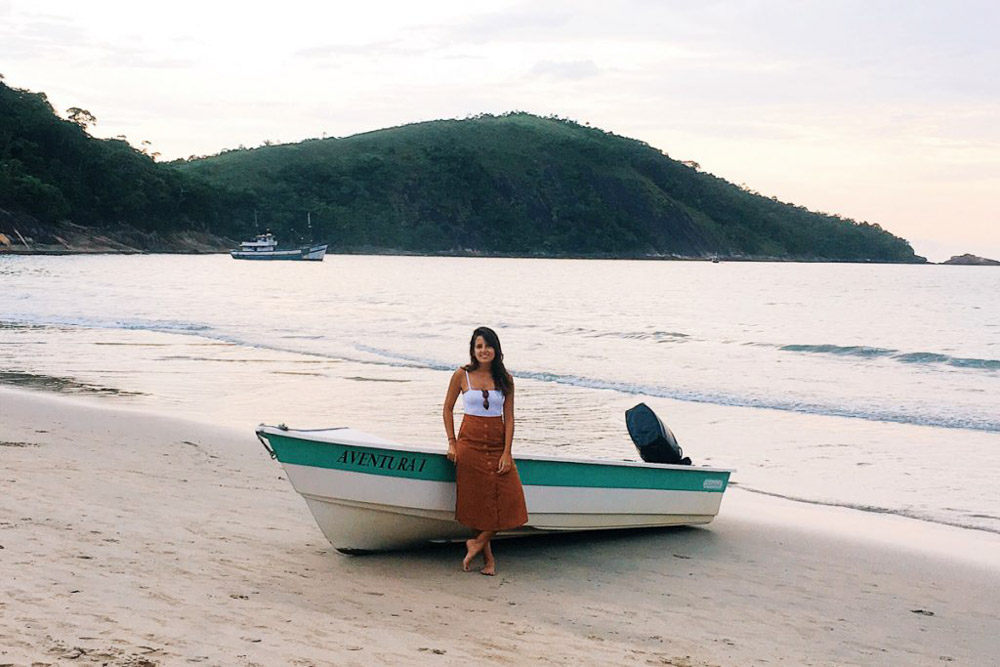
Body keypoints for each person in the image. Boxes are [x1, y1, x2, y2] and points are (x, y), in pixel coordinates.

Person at [442, 326, 528, 575]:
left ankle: (477, 542)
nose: (483, 350)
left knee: (512, 500)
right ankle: (489, 561)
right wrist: (451, 442)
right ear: (473, 350)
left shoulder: (506, 379)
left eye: (488, 346)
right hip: (469, 443)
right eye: (479, 346)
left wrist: (507, 452)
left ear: (496, 350)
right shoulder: (462, 375)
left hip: (497, 443)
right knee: (479, 501)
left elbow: (509, 419)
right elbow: (447, 409)